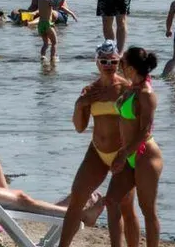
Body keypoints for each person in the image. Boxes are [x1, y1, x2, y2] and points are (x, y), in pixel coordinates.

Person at [56, 41, 140, 247]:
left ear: (119, 63)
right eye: (104, 61)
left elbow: (139, 126)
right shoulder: (90, 91)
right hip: (97, 152)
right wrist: (79, 104)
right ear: (97, 63)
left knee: (125, 207)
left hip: (123, 153)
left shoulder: (127, 89)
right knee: (77, 197)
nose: (108, 65)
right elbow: (79, 127)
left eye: (113, 61)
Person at [103, 47, 163, 247]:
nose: (120, 66)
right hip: (128, 155)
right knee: (111, 201)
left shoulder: (146, 94)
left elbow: (145, 131)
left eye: (122, 63)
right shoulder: (131, 87)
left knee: (148, 211)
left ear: (130, 67)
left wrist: (122, 154)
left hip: (145, 156)